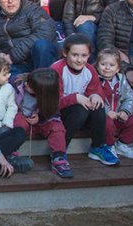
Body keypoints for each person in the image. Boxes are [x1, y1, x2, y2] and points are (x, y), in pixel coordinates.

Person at [51, 34, 119, 166]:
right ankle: (61, 148)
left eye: (84, 56)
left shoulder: (90, 70)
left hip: (81, 112)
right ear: (65, 53)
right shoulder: (57, 69)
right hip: (59, 113)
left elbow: (95, 90)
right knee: (80, 109)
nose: (79, 60)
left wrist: (95, 95)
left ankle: (97, 147)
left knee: (98, 105)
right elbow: (52, 103)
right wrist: (75, 97)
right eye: (75, 55)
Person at [13, 68, 73, 178]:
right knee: (19, 120)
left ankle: (59, 157)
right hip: (23, 118)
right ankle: (12, 151)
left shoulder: (50, 97)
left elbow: (53, 113)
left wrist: (39, 118)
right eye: (28, 81)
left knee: (57, 127)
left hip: (42, 122)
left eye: (31, 86)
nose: (26, 84)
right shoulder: (18, 85)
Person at [0, 0, 57, 74]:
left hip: (38, 61)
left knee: (42, 45)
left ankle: (43, 83)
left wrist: (13, 56)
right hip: (14, 66)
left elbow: (46, 32)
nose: (10, 1)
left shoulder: (33, 10)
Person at [95, 49, 133, 159]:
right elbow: (95, 99)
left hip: (119, 116)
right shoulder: (95, 81)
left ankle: (122, 144)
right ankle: (109, 146)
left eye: (111, 65)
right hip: (103, 117)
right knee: (107, 123)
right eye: (103, 64)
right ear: (97, 66)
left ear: (117, 69)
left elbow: (130, 98)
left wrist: (125, 111)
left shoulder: (122, 80)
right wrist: (107, 111)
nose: (107, 68)